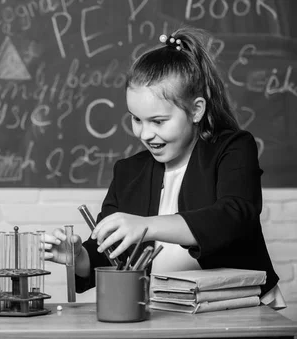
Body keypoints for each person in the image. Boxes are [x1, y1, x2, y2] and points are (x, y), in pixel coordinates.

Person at [43, 27, 285, 308]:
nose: (144, 134)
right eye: (136, 119)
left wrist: (147, 226)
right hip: (166, 313)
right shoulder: (128, 171)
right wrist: (78, 257)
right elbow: (108, 257)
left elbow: (234, 216)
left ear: (196, 110)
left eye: (158, 121)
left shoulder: (233, 148)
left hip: (237, 308)